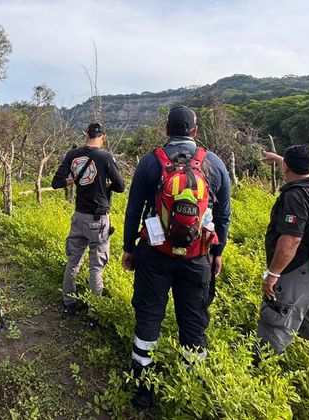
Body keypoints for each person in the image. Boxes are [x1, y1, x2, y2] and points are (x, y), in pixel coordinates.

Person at [121, 106, 231, 410]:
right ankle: (190, 390)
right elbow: (223, 216)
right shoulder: (215, 164)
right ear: (195, 131)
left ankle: (143, 391)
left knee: (149, 318)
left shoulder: (150, 162)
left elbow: (133, 210)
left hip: (155, 255)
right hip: (197, 259)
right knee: (194, 323)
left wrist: (129, 247)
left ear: (166, 130)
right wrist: (217, 253)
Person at [257, 145, 309, 361]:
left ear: (286, 167)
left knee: (275, 318)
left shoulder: (295, 196)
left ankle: (264, 366)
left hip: (296, 268)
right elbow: (293, 164)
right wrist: (277, 158)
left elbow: (291, 239)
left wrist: (273, 274)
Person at [51, 123, 126, 315]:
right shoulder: (106, 157)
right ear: (104, 137)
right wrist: (105, 184)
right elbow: (121, 187)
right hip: (98, 220)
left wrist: (73, 179)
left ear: (85, 134)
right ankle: (95, 310)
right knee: (96, 267)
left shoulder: (72, 154)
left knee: (73, 262)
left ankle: (69, 303)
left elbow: (56, 182)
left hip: (78, 217)